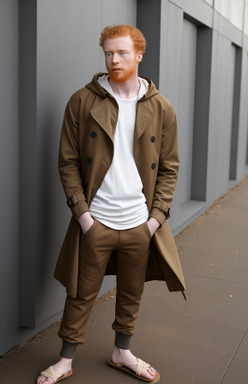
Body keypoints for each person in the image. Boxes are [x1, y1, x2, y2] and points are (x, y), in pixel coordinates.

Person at [37, 24, 185, 384]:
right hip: (97, 220)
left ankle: (122, 352)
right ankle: (65, 359)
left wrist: (155, 219)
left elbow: (169, 167)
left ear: (139, 55)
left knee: (131, 293)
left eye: (121, 52)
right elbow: (67, 162)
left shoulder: (160, 107)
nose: (113, 59)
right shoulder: (83, 101)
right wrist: (84, 216)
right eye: (108, 53)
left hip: (139, 223)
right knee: (80, 292)